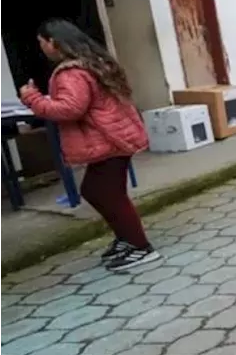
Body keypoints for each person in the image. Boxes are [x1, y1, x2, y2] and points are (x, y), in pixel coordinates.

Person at [19, 19, 157, 272]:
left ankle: (140, 246)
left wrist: (32, 98)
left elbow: (71, 109)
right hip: (115, 137)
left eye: (41, 43)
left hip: (109, 140)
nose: (41, 48)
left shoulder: (71, 72)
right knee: (99, 191)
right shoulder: (93, 62)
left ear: (54, 42)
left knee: (107, 194)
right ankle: (127, 238)